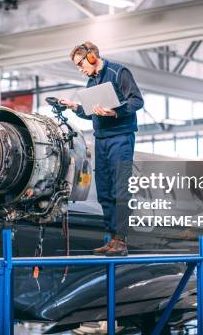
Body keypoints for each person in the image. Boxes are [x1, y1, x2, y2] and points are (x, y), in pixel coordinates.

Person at [60, 42, 143, 256]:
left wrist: (115, 112)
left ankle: (121, 240)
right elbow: (91, 113)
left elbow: (137, 100)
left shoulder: (119, 72)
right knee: (105, 191)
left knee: (120, 189)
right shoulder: (91, 83)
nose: (80, 69)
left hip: (121, 139)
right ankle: (111, 238)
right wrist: (75, 107)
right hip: (102, 140)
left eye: (81, 64)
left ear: (92, 57)